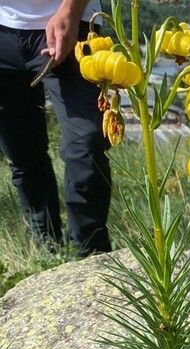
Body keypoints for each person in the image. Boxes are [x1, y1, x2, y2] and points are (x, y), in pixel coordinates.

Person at [0, 0, 112, 256]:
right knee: (22, 153)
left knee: (87, 142)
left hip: (72, 21)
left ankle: (90, 252)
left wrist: (70, 12)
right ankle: (47, 248)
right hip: (3, 26)